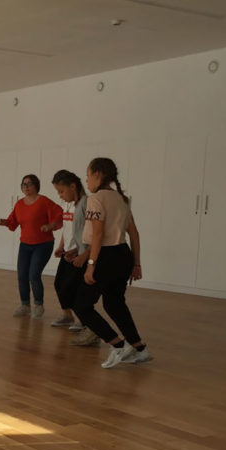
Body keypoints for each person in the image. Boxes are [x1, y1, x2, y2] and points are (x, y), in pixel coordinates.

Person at [73, 157, 153, 368]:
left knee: (82, 305)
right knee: (114, 303)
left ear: (97, 174)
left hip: (105, 256)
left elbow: (98, 234)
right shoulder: (122, 199)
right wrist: (136, 263)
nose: (86, 180)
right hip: (123, 255)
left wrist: (91, 264)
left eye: (88, 175)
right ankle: (140, 349)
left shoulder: (96, 198)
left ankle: (118, 345)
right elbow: (134, 233)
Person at [0, 174, 62, 318]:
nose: (25, 187)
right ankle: (25, 305)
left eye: (29, 184)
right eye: (23, 184)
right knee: (22, 275)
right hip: (25, 245)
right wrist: (6, 222)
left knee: (33, 274)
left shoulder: (44, 201)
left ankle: (38, 305)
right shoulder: (19, 204)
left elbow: (59, 214)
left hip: (43, 244)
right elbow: (13, 222)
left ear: (36, 186)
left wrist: (50, 225)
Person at [49, 169, 99, 344]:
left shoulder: (86, 203)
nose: (60, 195)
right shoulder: (73, 204)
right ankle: (79, 321)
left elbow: (95, 233)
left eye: (61, 191)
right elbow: (73, 231)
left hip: (83, 256)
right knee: (61, 285)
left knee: (73, 292)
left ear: (73, 186)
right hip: (73, 253)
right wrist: (65, 248)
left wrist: (83, 253)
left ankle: (89, 326)